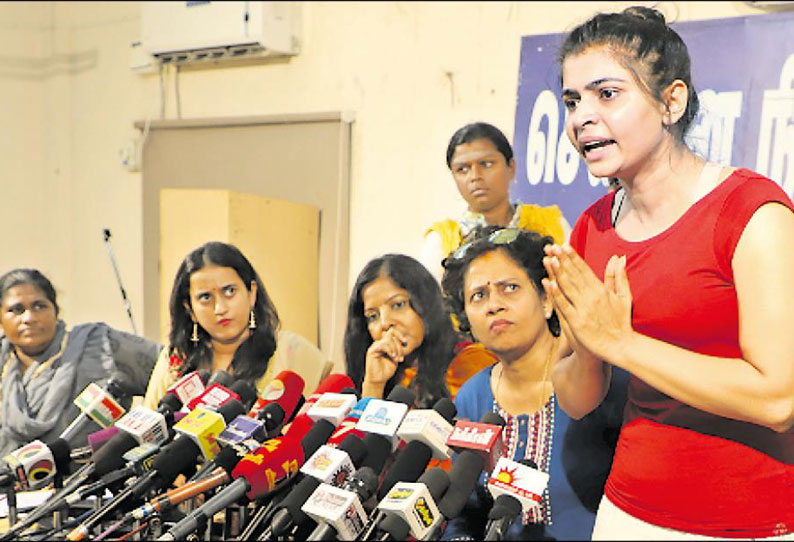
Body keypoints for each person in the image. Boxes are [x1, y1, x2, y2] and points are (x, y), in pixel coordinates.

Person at [543, 6, 794, 540]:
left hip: (749, 520)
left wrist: (622, 343)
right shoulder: (591, 229)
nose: (582, 117)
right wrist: (590, 347)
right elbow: (576, 399)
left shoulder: (752, 213)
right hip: (629, 511)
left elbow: (778, 399)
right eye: (572, 100)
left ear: (670, 102)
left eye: (607, 94)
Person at [440, 227, 626, 541]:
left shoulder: (599, 376)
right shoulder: (472, 396)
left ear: (547, 298)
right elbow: (463, 509)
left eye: (510, 288)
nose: (494, 305)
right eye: (478, 295)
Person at [143, 241, 325, 408]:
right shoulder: (176, 359)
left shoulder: (292, 352)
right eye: (205, 297)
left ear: (251, 293)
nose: (220, 308)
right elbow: (149, 422)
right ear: (189, 308)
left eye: (229, 291)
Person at [0, 268, 159, 456]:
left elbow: (172, 367)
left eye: (39, 306)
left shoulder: (100, 345)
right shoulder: (4, 363)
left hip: (95, 473)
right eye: (16, 310)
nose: (29, 318)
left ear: (56, 310)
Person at [420, 122, 570, 282]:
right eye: (462, 169)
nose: (475, 176)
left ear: (511, 167)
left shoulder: (550, 224)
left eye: (486, 164)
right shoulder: (442, 241)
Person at [344, 253, 496, 408]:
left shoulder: (471, 362)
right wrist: (373, 385)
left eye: (398, 305)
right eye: (373, 316)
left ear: (426, 304)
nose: (385, 323)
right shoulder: (384, 371)